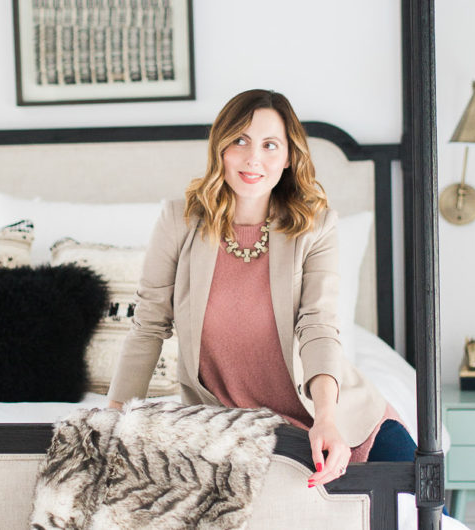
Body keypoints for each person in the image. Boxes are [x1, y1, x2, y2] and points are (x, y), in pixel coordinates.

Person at [107, 89, 415, 487]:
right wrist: (113, 414)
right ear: (220, 148)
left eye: (270, 145)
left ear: (288, 158)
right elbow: (148, 325)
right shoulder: (179, 222)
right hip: (236, 432)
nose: (254, 158)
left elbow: (318, 327)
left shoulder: (315, 226)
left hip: (341, 421)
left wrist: (327, 418)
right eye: (240, 140)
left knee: (423, 503)